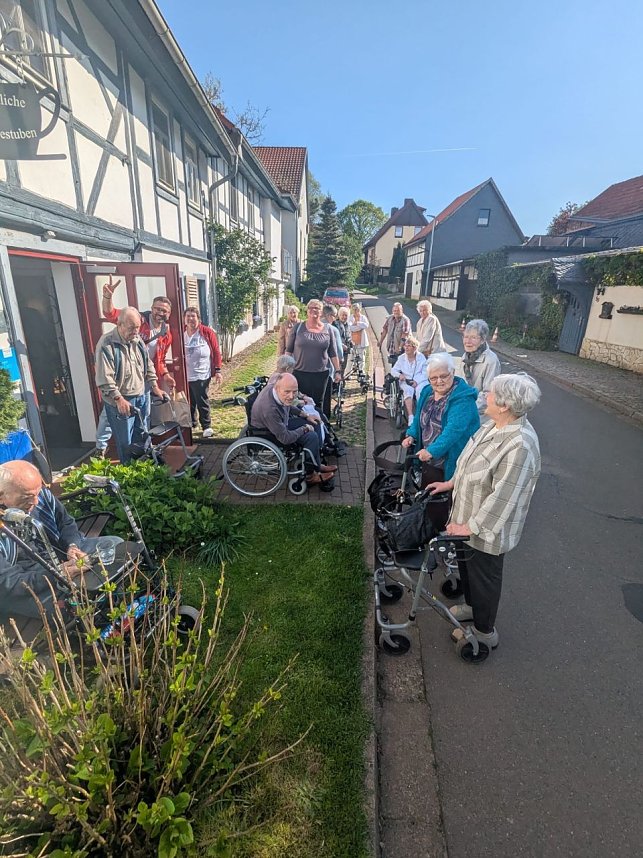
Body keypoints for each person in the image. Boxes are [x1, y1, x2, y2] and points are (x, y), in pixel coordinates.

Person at [427, 373, 542, 651]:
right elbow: (468, 462)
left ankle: (484, 631)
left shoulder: (520, 444)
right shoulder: (493, 425)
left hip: (486, 529)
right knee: (468, 569)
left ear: (504, 405)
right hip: (467, 518)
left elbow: (504, 497)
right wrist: (451, 483)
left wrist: (470, 527)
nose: (484, 395)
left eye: (490, 393)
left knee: (484, 578)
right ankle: (471, 606)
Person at [0, 461, 120, 619]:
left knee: (115, 545)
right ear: (1, 496)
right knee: (69, 605)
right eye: (27, 497)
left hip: (57, 556)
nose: (36, 502)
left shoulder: (39, 495)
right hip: (26, 581)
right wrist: (57, 574)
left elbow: (66, 523)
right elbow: (8, 583)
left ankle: (118, 608)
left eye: (38, 493)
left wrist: (72, 546)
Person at [401, 352, 479, 532]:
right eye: (433, 378)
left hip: (451, 460)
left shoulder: (463, 399)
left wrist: (432, 451)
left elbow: (453, 431)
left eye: (444, 376)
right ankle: (428, 530)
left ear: (453, 372)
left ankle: (444, 535)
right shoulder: (427, 391)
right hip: (429, 461)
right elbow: (419, 418)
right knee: (429, 497)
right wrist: (411, 434)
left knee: (446, 502)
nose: (439, 381)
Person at [95, 307, 167, 464]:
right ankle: (128, 472)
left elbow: (148, 364)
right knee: (126, 443)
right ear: (119, 324)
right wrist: (118, 399)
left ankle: (142, 469)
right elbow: (104, 378)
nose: (135, 332)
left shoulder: (137, 339)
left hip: (141, 395)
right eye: (131, 328)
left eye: (137, 327)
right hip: (122, 400)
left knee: (142, 437)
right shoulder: (107, 344)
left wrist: (154, 386)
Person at [250, 373, 336, 487]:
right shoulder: (269, 410)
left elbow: (288, 405)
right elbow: (285, 438)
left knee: (314, 423)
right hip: (270, 432)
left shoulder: (276, 388)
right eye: (287, 392)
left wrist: (306, 415)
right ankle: (310, 476)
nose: (291, 396)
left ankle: (317, 464)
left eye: (294, 391)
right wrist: (304, 429)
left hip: (281, 423)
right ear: (277, 388)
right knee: (311, 436)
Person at [285, 299, 341, 419]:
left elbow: (333, 353)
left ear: (321, 312)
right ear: (307, 310)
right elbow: (288, 350)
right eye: (311, 307)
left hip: (321, 375)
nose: (313, 310)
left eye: (317, 308)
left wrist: (337, 371)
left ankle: (320, 427)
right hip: (300, 373)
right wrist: (284, 371)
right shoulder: (298, 328)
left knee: (318, 403)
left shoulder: (328, 330)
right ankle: (303, 426)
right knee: (300, 403)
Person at [183, 306, 222, 439]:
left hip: (202, 374)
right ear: (184, 319)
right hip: (185, 374)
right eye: (188, 316)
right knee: (189, 401)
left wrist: (218, 370)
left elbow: (216, 351)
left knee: (201, 400)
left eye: (193, 316)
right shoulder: (181, 333)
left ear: (198, 319)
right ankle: (192, 423)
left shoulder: (206, 332)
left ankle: (206, 426)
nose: (190, 319)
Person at [462, 319, 502, 417]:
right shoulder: (466, 356)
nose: (468, 341)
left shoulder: (491, 361)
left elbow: (488, 394)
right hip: (464, 407)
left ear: (483, 340)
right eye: (466, 337)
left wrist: (466, 410)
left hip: (480, 413)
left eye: (473, 337)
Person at [390, 336, 428, 426]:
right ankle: (411, 416)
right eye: (405, 346)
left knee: (420, 391)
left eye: (409, 346)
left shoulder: (421, 357)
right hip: (406, 380)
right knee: (408, 390)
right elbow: (393, 370)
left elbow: (425, 373)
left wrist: (416, 381)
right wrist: (399, 375)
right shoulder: (401, 358)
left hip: (419, 380)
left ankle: (420, 414)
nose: (406, 348)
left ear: (415, 348)